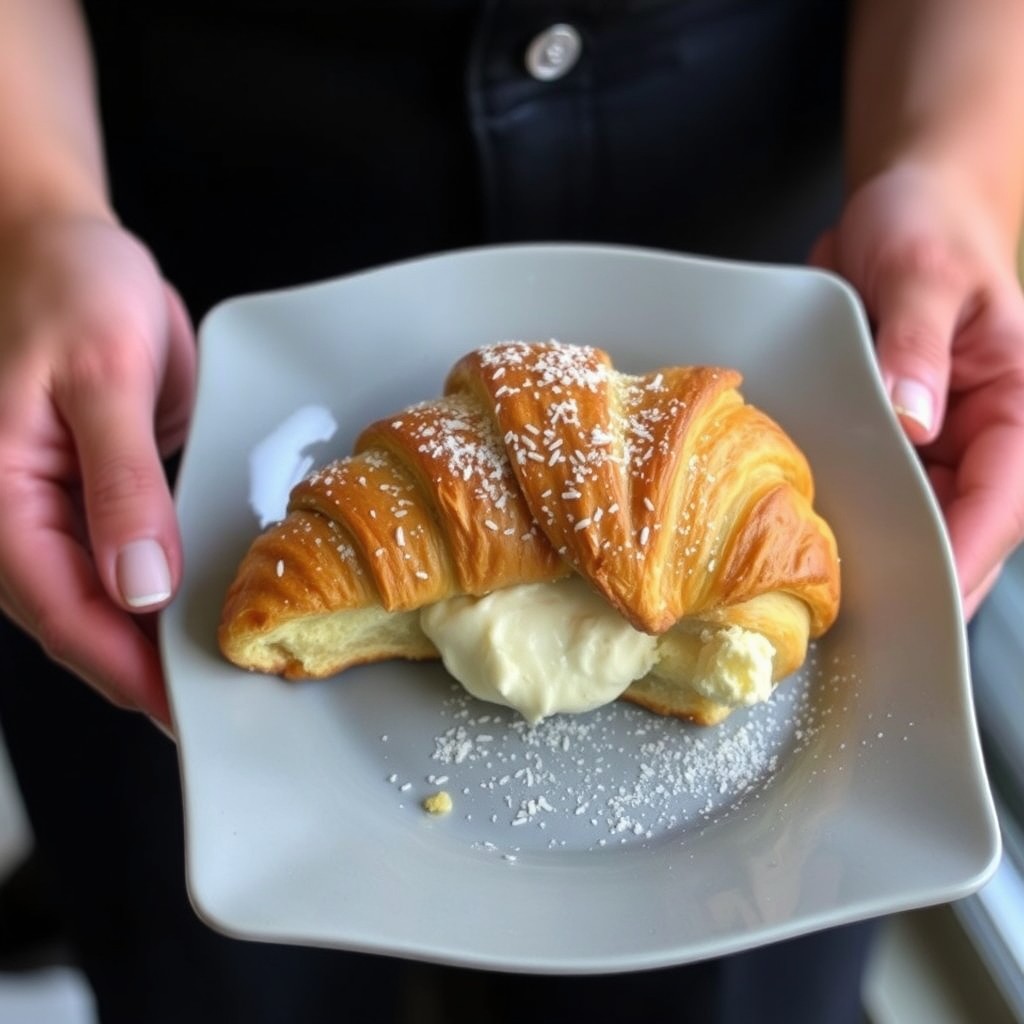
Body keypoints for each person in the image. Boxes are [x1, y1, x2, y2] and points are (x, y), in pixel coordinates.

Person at [0, 1, 1021, 1021]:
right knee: (215, 980)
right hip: (166, 352)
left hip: (771, 258)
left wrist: (953, 175)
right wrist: (30, 214)